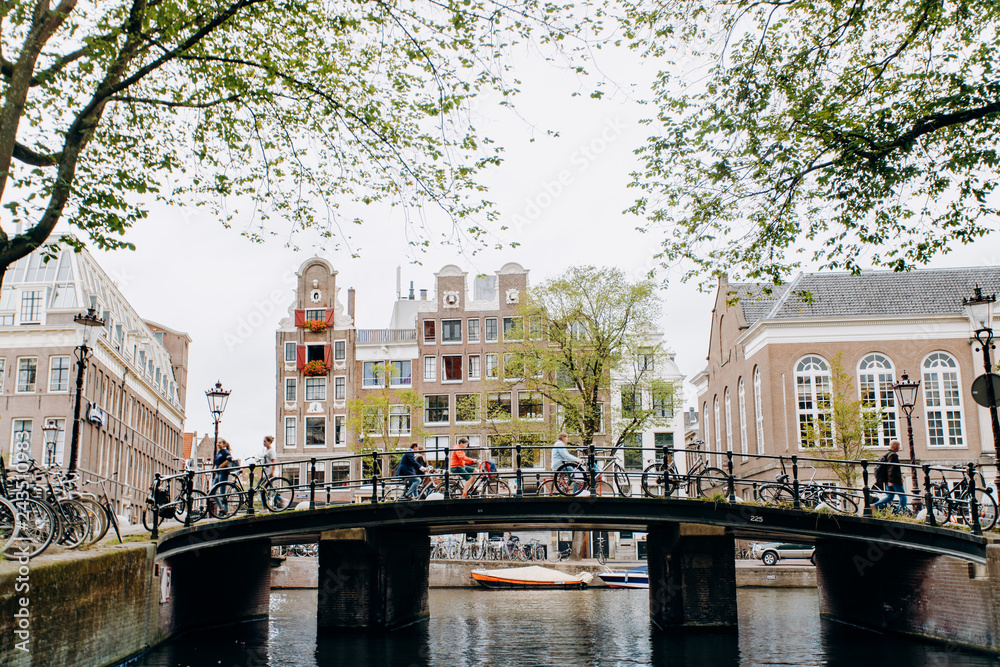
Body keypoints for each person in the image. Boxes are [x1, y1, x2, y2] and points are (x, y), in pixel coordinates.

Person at [872, 440, 906, 512]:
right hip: (894, 480)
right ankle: (902, 512)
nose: (899, 447)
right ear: (895, 446)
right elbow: (891, 468)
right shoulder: (893, 455)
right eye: (898, 446)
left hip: (888, 480)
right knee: (903, 497)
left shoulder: (886, 454)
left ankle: (875, 506)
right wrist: (891, 480)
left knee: (890, 497)